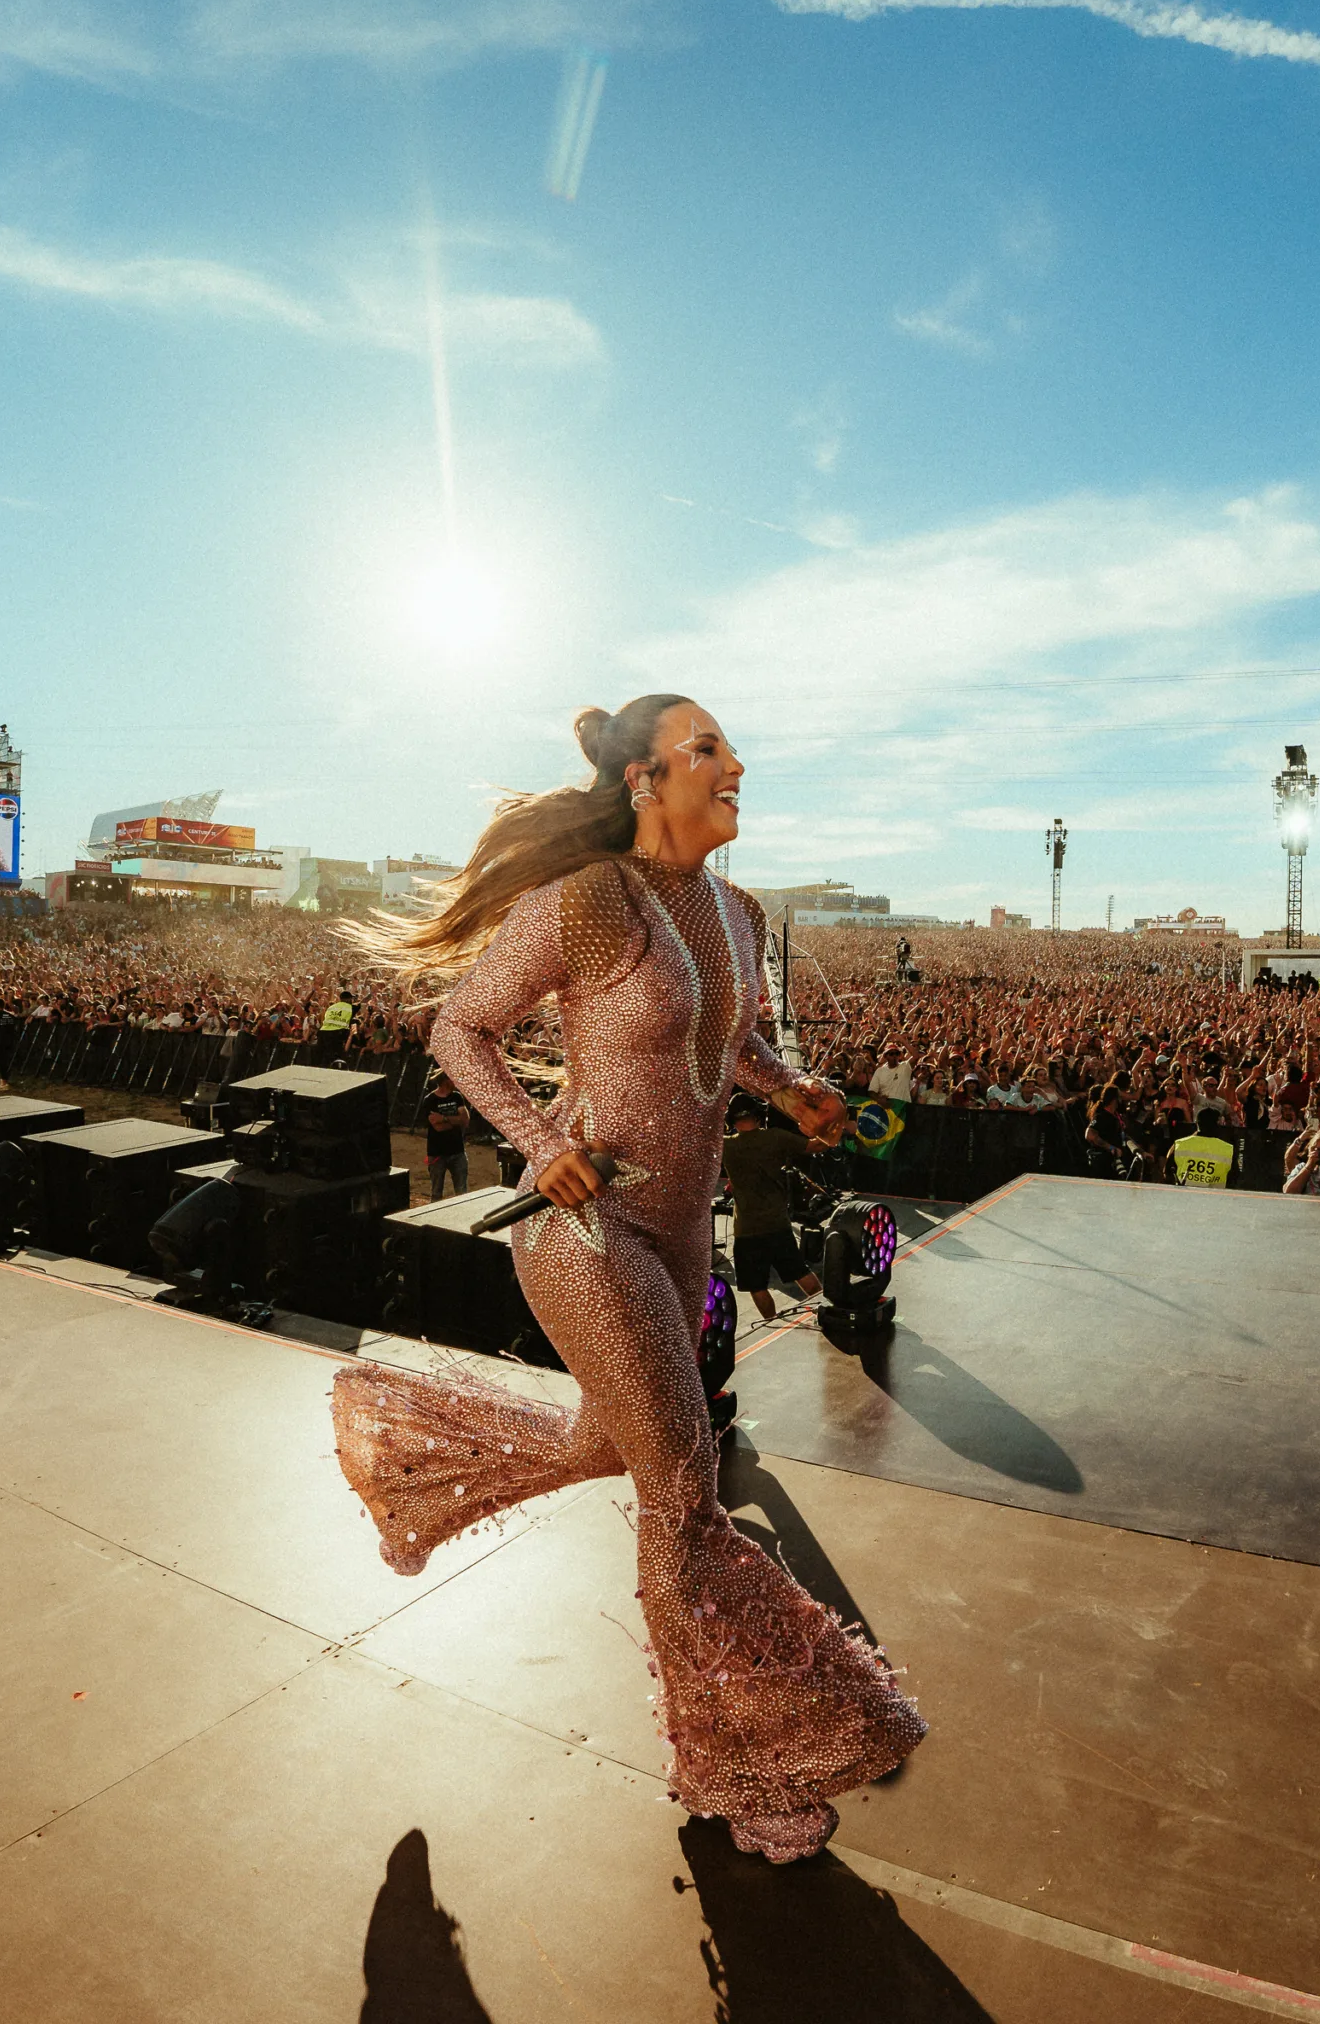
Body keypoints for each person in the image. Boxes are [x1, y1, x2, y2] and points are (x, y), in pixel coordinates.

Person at [330, 694, 923, 1866]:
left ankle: (419, 1465)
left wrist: (791, 1086)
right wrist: (539, 1145)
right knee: (684, 1477)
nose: (736, 762)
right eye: (708, 748)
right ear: (646, 778)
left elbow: (730, 1043)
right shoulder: (592, 899)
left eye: (729, 745)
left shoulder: (740, 911)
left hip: (681, 1228)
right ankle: (736, 1764)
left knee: (621, 1444)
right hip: (591, 1225)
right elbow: (462, 1028)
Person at [722, 1094, 829, 1320]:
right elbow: (816, 1145)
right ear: (759, 1116)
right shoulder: (775, 1137)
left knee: (756, 1285)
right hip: (777, 1223)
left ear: (731, 1119)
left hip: (747, 1228)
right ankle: (827, 1313)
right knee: (801, 1273)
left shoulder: (725, 1146)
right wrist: (838, 1125)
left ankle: (771, 1324)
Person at [421, 1074, 472, 1199]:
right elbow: (438, 1127)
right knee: (436, 1193)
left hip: (457, 1152)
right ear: (445, 1081)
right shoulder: (430, 1100)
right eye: (452, 1078)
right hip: (437, 1153)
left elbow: (465, 1120)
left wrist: (443, 1118)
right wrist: (455, 1121)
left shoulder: (457, 1097)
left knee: (462, 1193)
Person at [1168, 1105, 1236, 1188]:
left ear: (1197, 1123)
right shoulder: (1228, 1149)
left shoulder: (1180, 1144)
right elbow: (1234, 1177)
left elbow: (1167, 1172)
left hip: (1184, 1196)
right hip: (1215, 1197)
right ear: (1217, 1125)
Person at [317, 988, 355, 1065]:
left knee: (324, 1056)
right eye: (351, 998)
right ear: (348, 999)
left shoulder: (331, 1007)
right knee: (336, 1057)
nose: (352, 1000)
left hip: (323, 1032)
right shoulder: (350, 1007)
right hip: (337, 1033)